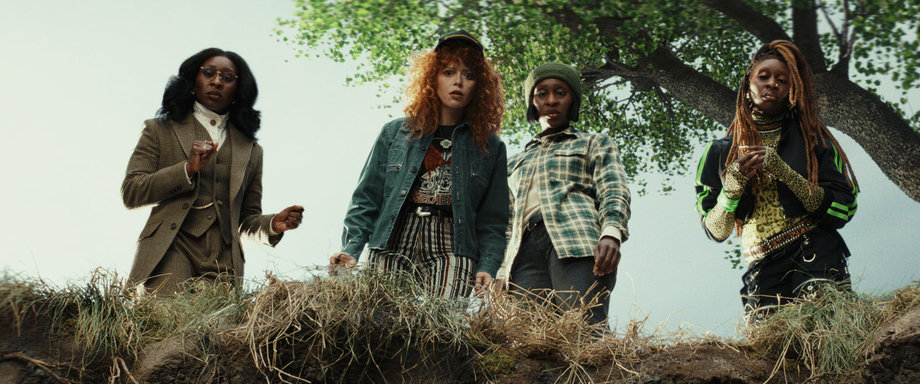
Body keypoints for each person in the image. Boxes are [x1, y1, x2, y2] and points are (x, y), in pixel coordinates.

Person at [329, 30, 508, 300]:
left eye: (468, 75)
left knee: (445, 327)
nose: (458, 82)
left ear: (479, 86)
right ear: (432, 78)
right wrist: (352, 248)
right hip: (394, 235)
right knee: (382, 325)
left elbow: (493, 220)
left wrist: (487, 265)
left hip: (453, 243)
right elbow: (367, 197)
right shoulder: (395, 132)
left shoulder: (491, 146)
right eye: (448, 72)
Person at [694, 40, 859, 319]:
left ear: (791, 89)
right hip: (761, 272)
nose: (772, 84)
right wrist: (731, 190)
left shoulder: (813, 137)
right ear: (748, 82)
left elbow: (845, 207)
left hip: (814, 253)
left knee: (827, 333)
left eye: (782, 80)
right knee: (772, 357)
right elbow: (716, 231)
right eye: (764, 76)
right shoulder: (718, 153)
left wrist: (784, 172)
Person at [122, 47, 304, 295]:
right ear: (193, 80)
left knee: (214, 332)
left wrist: (272, 224)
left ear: (238, 90)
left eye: (227, 78)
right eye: (209, 73)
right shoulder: (159, 129)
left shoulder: (252, 150)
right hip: (172, 249)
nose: (217, 81)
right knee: (166, 327)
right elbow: (132, 192)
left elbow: (247, 219)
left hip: (223, 261)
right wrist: (187, 169)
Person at [496, 62, 631, 327]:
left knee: (583, 327)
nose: (551, 100)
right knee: (532, 339)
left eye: (561, 92)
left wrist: (612, 232)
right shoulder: (513, 163)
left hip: (577, 240)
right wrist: (501, 270)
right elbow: (506, 220)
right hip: (522, 255)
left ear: (572, 101)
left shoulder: (593, 142)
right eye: (542, 93)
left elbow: (613, 187)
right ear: (532, 102)